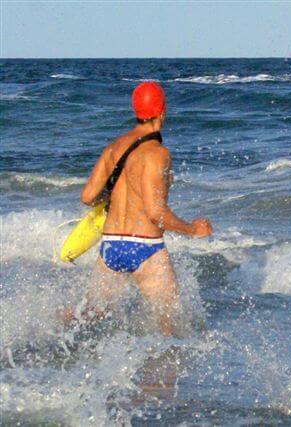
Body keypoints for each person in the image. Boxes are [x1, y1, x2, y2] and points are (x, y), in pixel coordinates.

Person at [62, 82, 212, 336]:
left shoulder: (113, 148)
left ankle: (40, 334)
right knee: (170, 327)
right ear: (163, 110)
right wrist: (192, 229)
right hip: (145, 247)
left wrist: (120, 193)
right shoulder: (158, 154)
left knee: (88, 312)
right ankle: (160, 376)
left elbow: (87, 196)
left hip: (111, 245)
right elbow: (156, 213)